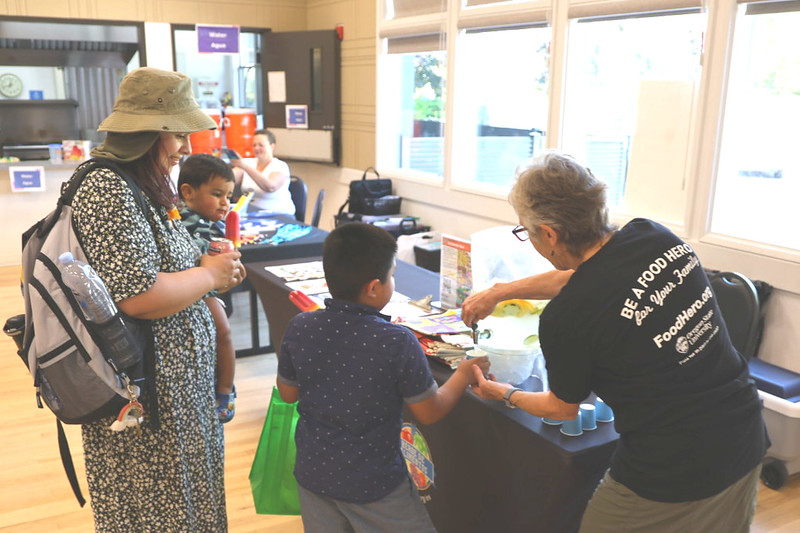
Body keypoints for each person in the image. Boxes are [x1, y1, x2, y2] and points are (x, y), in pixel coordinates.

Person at [461, 151, 769, 533]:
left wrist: (505, 394)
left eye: (527, 232)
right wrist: (501, 291)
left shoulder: (567, 319)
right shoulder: (653, 236)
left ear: (550, 234)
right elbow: (581, 277)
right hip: (744, 428)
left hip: (675, 465)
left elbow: (561, 409)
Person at [75, 67, 246, 531]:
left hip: (176, 388)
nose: (186, 148)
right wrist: (208, 277)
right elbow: (139, 296)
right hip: (149, 396)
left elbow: (173, 266)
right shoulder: (107, 188)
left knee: (189, 503)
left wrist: (211, 267)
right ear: (148, 132)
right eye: (178, 134)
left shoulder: (143, 183)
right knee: (157, 511)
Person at [276, 222, 490, 533]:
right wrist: (463, 372)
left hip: (313, 474)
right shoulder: (396, 341)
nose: (392, 283)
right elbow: (430, 411)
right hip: (374, 484)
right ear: (374, 287)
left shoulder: (300, 326)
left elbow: (288, 394)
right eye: (391, 276)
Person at [177, 153, 238, 423]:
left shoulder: (210, 221)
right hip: (193, 290)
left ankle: (224, 387)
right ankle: (224, 387)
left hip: (205, 289)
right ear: (188, 192)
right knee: (223, 331)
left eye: (229, 196)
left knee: (222, 332)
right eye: (217, 194)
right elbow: (199, 256)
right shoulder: (187, 220)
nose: (225, 203)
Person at [230, 128, 294, 215]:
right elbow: (228, 179)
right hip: (251, 213)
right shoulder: (247, 162)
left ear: (272, 146)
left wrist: (245, 167)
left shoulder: (280, 166)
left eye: (261, 145)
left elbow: (270, 187)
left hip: (279, 214)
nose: (256, 148)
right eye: (254, 145)